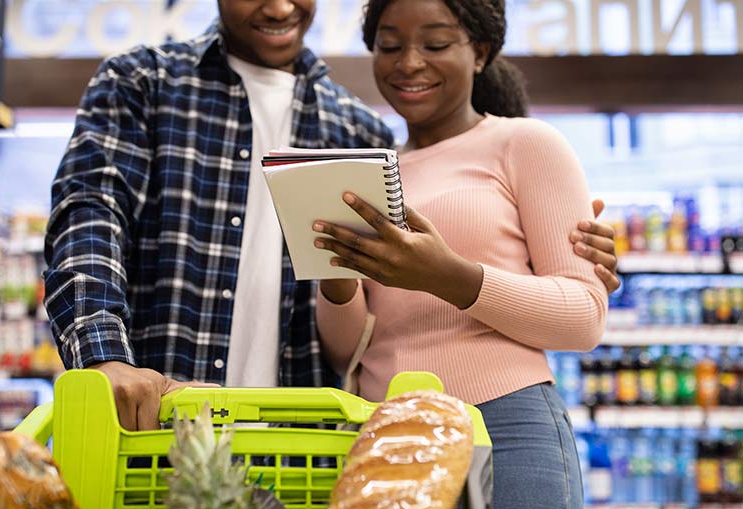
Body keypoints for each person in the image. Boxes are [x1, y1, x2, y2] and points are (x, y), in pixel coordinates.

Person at [44, 0, 620, 433]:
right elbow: (89, 218)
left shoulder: (358, 134)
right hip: (152, 418)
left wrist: (564, 246)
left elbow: (364, 325)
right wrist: (105, 357)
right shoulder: (144, 84)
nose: (279, 7)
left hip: (304, 440)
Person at [313, 0, 606, 509]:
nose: (409, 63)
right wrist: (336, 278)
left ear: (481, 51)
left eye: (436, 43)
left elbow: (582, 316)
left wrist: (450, 277)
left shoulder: (526, 144)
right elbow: (349, 350)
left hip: (506, 426)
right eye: (390, 45)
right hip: (386, 435)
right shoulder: (371, 173)